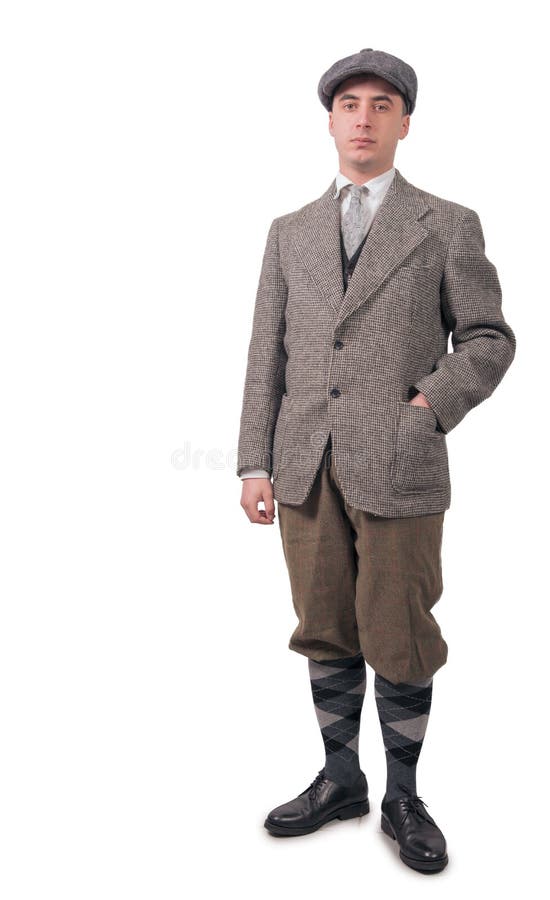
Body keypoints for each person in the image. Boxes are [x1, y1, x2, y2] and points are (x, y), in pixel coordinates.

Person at [236, 48, 516, 873]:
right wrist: (254, 461)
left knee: (396, 628)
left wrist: (429, 407)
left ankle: (402, 793)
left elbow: (490, 339)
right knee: (323, 624)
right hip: (303, 466)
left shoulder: (447, 223)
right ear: (329, 119)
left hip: (400, 462)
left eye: (381, 104)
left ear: (403, 122)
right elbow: (267, 355)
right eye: (349, 103)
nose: (363, 116)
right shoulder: (289, 232)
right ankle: (339, 778)